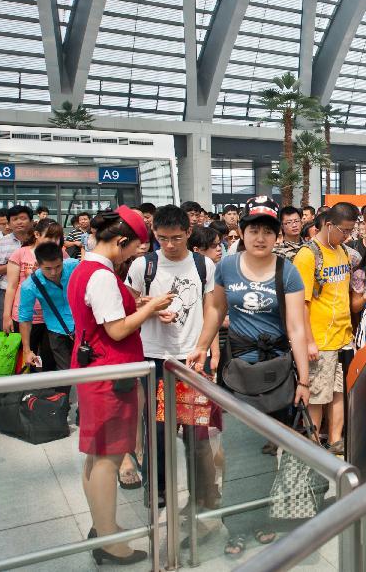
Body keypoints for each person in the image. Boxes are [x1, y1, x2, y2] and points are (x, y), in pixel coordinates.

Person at [193, 196, 310, 558]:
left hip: (276, 372)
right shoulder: (226, 267)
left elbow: (296, 326)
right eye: (253, 229)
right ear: (241, 231)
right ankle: (237, 525)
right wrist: (202, 345)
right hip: (239, 370)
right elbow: (215, 308)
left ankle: (263, 519)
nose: (260, 237)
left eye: (267, 231)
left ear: (277, 236)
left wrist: (304, 381)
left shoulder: (286, 270)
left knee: (265, 451)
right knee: (237, 451)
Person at [68, 206, 174, 565]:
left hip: (94, 369)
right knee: (109, 457)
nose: (133, 257)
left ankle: (103, 525)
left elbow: (104, 316)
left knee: (96, 454)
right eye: (133, 250)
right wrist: (153, 306)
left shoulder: (85, 269)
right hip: (112, 374)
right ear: (121, 241)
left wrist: (142, 304)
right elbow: (116, 329)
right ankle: (109, 541)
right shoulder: (101, 276)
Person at [125, 204, 219, 508]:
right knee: (158, 431)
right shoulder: (143, 266)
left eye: (176, 238)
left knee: (196, 432)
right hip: (155, 358)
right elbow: (128, 308)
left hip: (191, 358)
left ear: (189, 232)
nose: (169, 244)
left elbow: (211, 309)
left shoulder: (204, 265)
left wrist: (210, 350)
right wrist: (149, 307)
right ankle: (158, 489)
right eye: (162, 238)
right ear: (154, 234)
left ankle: (201, 493)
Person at [293, 202, 360, 455]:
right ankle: (313, 445)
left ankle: (335, 441)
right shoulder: (308, 255)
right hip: (320, 339)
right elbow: (302, 303)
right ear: (329, 225)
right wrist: (308, 341)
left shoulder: (342, 251)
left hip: (343, 337)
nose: (348, 235)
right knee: (317, 396)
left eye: (351, 231)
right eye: (344, 230)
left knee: (339, 392)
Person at [3, 219, 65, 372]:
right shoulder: (21, 253)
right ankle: (26, 391)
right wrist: (6, 315)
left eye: (57, 238)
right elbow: (11, 287)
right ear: (37, 234)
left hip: (51, 316)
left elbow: (65, 284)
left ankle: (45, 391)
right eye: (50, 237)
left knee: (49, 359)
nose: (54, 242)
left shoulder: (62, 254)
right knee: (25, 357)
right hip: (25, 316)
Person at [18, 241, 79, 374]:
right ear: (38, 265)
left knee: (90, 367)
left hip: (82, 326)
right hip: (56, 330)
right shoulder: (30, 285)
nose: (54, 272)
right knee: (66, 372)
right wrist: (27, 350)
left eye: (58, 266)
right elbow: (25, 319)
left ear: (63, 260)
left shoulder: (74, 265)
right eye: (48, 268)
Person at [0, 205, 34, 332]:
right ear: (9, 224)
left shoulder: (39, 241)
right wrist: (13, 265)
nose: (19, 222)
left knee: (34, 331)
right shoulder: (0, 243)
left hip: (35, 292)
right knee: (7, 330)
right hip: (6, 291)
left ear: (31, 221)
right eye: (15, 219)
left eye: (23, 218)